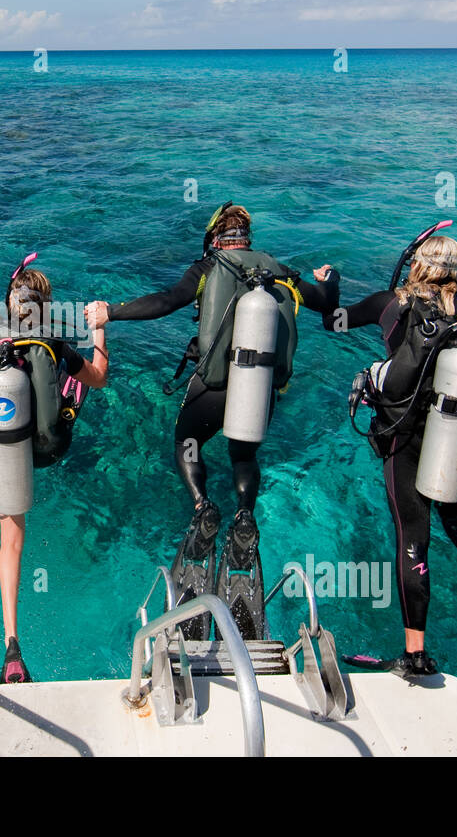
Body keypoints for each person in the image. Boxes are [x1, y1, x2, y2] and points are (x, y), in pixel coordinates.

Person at [84, 202, 339, 639]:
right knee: (244, 452)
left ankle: (203, 506)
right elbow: (327, 307)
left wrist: (113, 312)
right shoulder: (279, 271)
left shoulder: (207, 267)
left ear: (215, 236)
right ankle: (244, 516)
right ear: (247, 237)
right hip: (257, 389)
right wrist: (329, 279)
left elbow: (166, 301)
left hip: (212, 388)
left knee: (188, 439)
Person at [332, 227, 457, 678]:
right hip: (447, 429)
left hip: (401, 436)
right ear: (455, 270)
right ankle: (454, 508)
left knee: (410, 538)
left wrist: (330, 286)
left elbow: (334, 319)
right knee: (435, 501)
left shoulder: (390, 302)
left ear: (417, 263)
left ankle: (415, 656)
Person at [0, 230, 108, 683]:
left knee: (10, 542)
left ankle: (11, 644)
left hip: (2, 448)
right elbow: (100, 377)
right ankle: (58, 399)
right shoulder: (54, 345)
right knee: (77, 388)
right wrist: (99, 333)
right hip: (47, 447)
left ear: (10, 304)